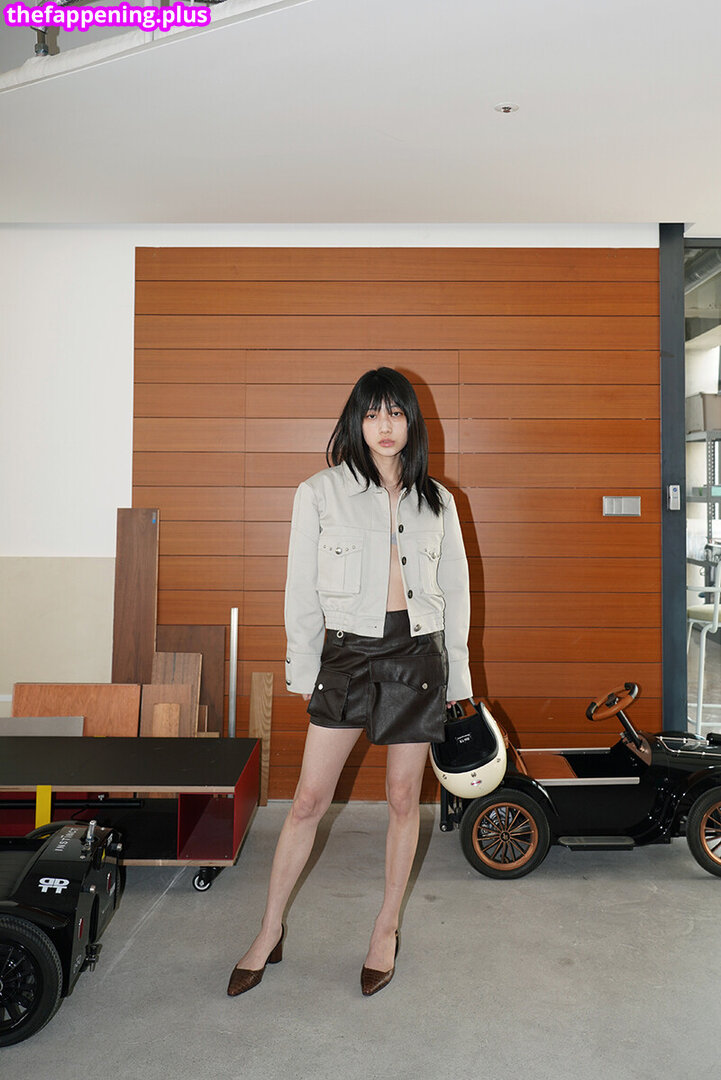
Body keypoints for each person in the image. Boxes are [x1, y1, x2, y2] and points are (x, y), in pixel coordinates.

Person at [227, 367, 472, 998]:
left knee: (402, 799)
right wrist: (305, 671)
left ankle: (385, 929)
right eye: (371, 414)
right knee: (309, 801)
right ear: (355, 422)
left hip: (417, 655)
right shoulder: (319, 493)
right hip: (346, 655)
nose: (384, 427)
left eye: (396, 414)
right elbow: (300, 591)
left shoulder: (439, 500)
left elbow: (456, 594)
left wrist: (459, 679)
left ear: (412, 422)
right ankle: (269, 929)